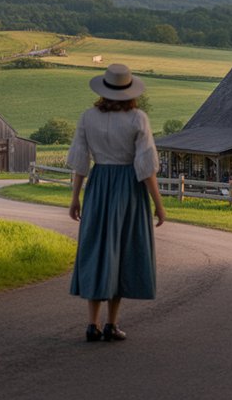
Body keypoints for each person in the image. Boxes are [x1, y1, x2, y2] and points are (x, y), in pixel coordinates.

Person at [66, 63, 166, 342]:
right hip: (128, 188)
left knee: (97, 250)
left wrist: (75, 198)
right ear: (130, 92)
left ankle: (92, 324)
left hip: (98, 186)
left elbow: (80, 161)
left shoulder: (88, 117)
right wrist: (158, 204)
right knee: (122, 251)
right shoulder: (138, 119)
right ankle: (111, 324)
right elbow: (146, 167)